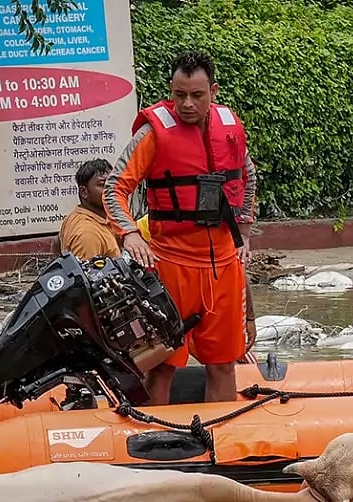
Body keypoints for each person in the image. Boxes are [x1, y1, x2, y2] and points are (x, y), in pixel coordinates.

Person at [104, 49, 258, 404]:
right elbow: (116, 187)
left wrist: (245, 233)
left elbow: (247, 176)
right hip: (170, 265)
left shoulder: (230, 129)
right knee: (161, 364)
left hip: (223, 265)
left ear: (213, 92)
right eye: (179, 95)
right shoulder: (152, 133)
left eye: (196, 95)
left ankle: (220, 444)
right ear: (170, 91)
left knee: (223, 364)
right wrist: (128, 234)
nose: (186, 104)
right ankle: (151, 443)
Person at [52, 159, 120, 260]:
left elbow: (57, 242)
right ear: (84, 192)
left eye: (112, 184)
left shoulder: (81, 217)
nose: (110, 190)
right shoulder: (88, 234)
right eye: (102, 185)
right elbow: (89, 275)